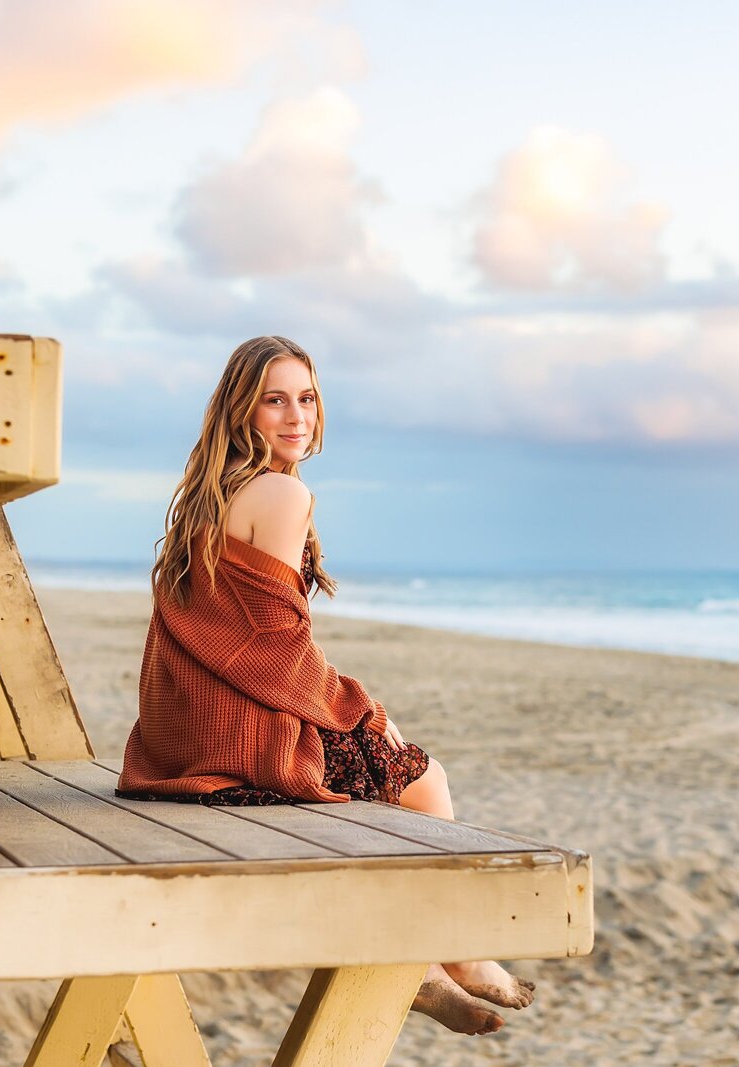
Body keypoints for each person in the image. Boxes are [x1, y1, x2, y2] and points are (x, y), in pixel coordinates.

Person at [116, 335, 536, 1036]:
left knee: (391, 768)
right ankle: (446, 954)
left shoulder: (211, 495)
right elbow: (277, 651)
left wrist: (351, 705)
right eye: (274, 400)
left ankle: (431, 962)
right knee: (423, 777)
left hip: (183, 738)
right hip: (236, 744)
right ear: (242, 411)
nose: (295, 416)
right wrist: (364, 709)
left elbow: (253, 638)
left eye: (306, 398)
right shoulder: (282, 493)